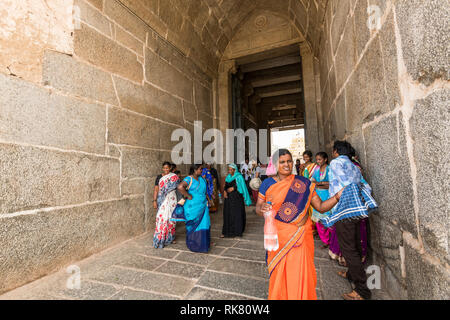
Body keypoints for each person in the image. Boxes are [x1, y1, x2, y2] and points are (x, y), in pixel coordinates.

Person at [255, 149, 344, 300]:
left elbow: (321, 207)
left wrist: (336, 196)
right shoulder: (267, 184)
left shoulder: (303, 183)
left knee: (299, 273)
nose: (286, 164)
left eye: (289, 161)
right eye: (282, 162)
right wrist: (261, 209)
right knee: (279, 273)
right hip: (279, 238)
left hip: (300, 237)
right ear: (275, 164)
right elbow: (258, 207)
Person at [323, 141, 376, 300]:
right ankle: (352, 275)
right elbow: (364, 185)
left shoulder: (335, 163)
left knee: (348, 249)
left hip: (344, 208)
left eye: (333, 150)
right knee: (355, 244)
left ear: (337, 151)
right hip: (357, 209)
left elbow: (344, 184)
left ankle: (362, 291)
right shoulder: (354, 165)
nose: (332, 153)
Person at [177, 164, 211, 253]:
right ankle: (194, 244)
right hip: (192, 207)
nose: (202, 170)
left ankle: (203, 244)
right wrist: (188, 195)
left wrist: (209, 199)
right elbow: (180, 187)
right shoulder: (189, 179)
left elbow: (204, 191)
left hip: (203, 206)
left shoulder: (202, 179)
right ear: (195, 170)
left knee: (205, 224)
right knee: (193, 225)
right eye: (200, 169)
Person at [153, 161, 179, 248]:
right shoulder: (159, 177)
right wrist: (154, 200)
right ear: (162, 168)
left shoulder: (174, 177)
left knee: (171, 219)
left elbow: (178, 188)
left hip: (172, 199)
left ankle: (170, 238)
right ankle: (160, 238)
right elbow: (156, 190)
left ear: (170, 168)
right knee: (162, 218)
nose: (165, 170)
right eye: (164, 168)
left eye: (167, 168)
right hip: (162, 200)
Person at [222, 164, 252, 238]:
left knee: (236, 214)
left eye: (231, 169)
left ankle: (237, 231)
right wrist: (225, 191)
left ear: (234, 170)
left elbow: (242, 187)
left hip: (236, 199)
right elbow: (226, 186)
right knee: (228, 214)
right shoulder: (228, 177)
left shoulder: (239, 177)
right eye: (229, 169)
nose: (229, 171)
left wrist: (234, 188)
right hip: (228, 200)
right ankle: (227, 231)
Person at [311, 152, 331, 248]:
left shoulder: (329, 169)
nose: (318, 161)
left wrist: (319, 183)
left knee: (327, 218)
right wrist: (322, 183)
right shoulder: (317, 169)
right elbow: (313, 181)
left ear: (325, 159)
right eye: (317, 159)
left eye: (320, 159)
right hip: (317, 195)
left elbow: (331, 183)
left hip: (327, 195)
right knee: (318, 221)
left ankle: (330, 239)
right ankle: (325, 240)